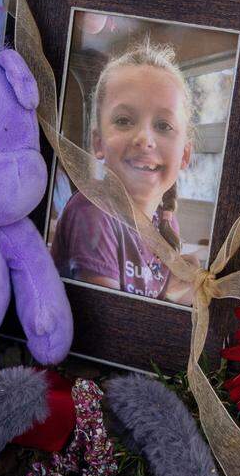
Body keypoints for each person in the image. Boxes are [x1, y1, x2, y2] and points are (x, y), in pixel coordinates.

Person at [50, 39, 196, 304]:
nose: (144, 138)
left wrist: (181, 290)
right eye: (124, 121)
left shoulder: (166, 223)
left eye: (163, 125)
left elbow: (155, 297)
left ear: (185, 154)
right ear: (98, 143)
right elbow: (109, 327)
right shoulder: (92, 213)